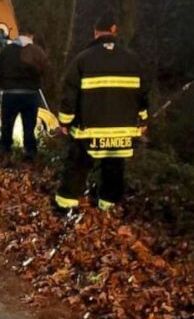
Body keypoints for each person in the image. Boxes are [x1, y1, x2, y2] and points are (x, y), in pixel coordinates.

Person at [55, 11, 148, 213]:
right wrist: (142, 121)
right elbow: (142, 93)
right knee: (114, 169)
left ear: (95, 32)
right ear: (114, 30)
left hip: (88, 129)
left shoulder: (82, 59)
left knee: (77, 166)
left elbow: (69, 93)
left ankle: (65, 209)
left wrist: (65, 122)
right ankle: (109, 209)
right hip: (121, 131)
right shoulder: (132, 60)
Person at [0, 27, 48, 162]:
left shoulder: (7, 50)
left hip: (10, 94)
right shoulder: (37, 51)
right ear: (31, 36)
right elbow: (46, 71)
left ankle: (4, 153)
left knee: (7, 127)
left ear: (19, 34)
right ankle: (30, 154)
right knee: (29, 127)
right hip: (30, 95)